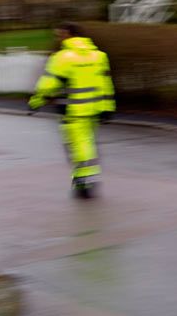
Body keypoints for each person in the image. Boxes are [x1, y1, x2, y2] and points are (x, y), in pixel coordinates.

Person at [28, 21, 116, 198]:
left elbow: (48, 84)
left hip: (72, 111)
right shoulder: (98, 56)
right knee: (87, 143)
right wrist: (108, 108)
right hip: (95, 109)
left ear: (68, 34)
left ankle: (84, 182)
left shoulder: (62, 57)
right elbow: (106, 85)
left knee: (78, 146)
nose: (58, 39)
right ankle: (83, 179)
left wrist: (35, 102)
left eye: (59, 35)